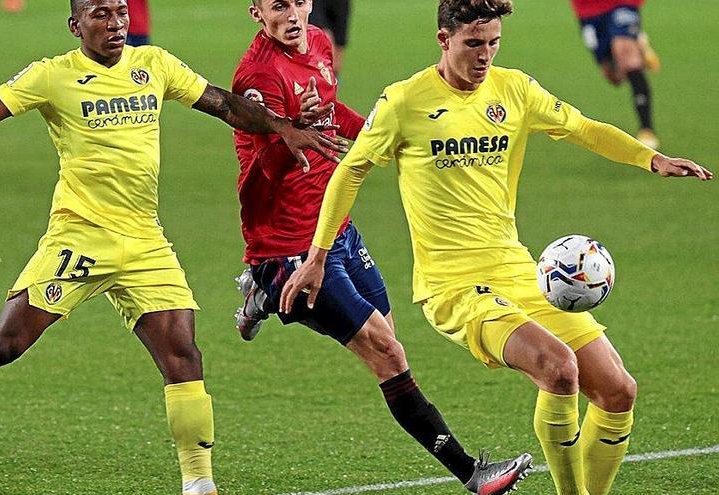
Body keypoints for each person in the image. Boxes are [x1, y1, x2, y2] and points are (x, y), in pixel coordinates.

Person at [0, 1, 342, 494]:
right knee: (5, 346)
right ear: (75, 25)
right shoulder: (51, 76)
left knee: (183, 355)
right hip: (78, 236)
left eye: (120, 12)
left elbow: (226, 104)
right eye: (100, 14)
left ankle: (199, 483)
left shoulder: (154, 65)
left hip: (144, 239)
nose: (115, 22)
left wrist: (281, 126)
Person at [281, 1, 712, 494]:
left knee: (618, 391)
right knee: (558, 367)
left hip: (519, 270)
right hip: (454, 286)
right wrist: (316, 256)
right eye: (473, 44)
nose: (485, 55)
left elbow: (581, 127)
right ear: (444, 40)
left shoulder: (515, 89)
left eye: (493, 43)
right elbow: (350, 170)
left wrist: (649, 159)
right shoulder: (405, 101)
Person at [231, 2, 532, 494]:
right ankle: (472, 475)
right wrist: (293, 137)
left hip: (336, 233)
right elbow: (257, 180)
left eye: (299, 1)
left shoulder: (321, 44)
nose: (293, 13)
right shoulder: (258, 77)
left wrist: (385, 134)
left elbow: (334, 116)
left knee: (388, 337)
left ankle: (265, 300)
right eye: (278, 4)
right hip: (285, 246)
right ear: (256, 11)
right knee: (386, 352)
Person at [571, 0, 661, 149]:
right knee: (614, 77)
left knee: (628, 59)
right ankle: (638, 39)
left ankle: (647, 129)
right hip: (588, 10)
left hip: (622, 4)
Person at [309, 0, 351, 76]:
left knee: (336, 65)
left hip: (339, 4)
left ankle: (331, 84)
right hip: (317, 4)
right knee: (325, 40)